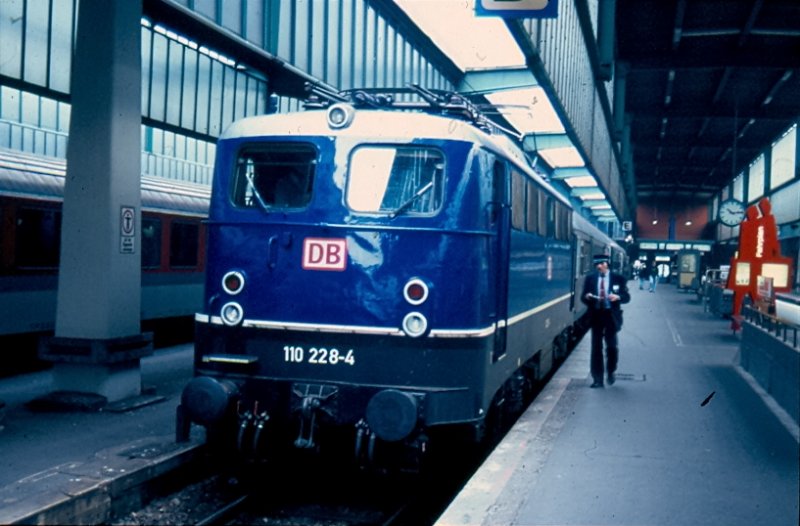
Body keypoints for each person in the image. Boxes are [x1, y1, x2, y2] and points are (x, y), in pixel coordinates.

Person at [581, 253, 631, 388]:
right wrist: (587, 297)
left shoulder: (618, 278)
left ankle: (611, 371)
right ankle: (597, 379)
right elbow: (583, 297)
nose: (598, 267)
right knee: (596, 348)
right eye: (596, 265)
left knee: (612, 347)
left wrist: (618, 297)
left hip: (611, 316)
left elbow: (627, 297)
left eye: (600, 264)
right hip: (596, 315)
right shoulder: (590, 279)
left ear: (606, 264)